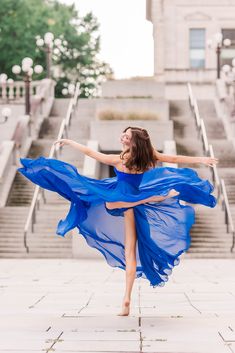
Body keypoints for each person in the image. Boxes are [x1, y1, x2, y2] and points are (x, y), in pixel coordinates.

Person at [17, 126, 218, 316]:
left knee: (87, 191)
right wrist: (201, 159)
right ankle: (126, 298)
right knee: (130, 251)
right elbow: (174, 158)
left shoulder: (119, 159)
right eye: (123, 134)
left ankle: (127, 300)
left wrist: (70, 142)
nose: (122, 137)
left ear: (132, 143)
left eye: (126, 136)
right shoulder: (148, 157)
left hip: (116, 201)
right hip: (132, 203)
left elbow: (90, 152)